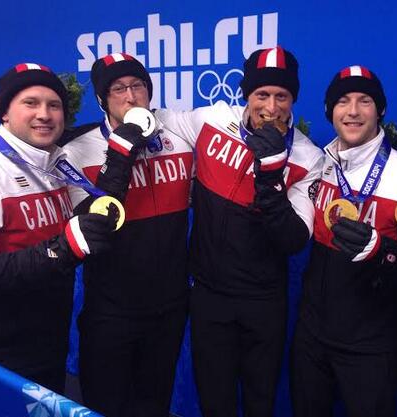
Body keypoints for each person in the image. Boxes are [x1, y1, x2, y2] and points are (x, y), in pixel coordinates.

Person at [155, 46, 323, 417]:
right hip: (209, 295)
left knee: (260, 402)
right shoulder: (213, 119)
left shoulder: (307, 157)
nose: (272, 106)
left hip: (263, 301)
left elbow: (294, 240)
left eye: (282, 96)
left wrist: (271, 171)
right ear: (247, 93)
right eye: (262, 94)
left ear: (293, 98)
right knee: (214, 401)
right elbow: (157, 119)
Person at [0, 63, 115, 393]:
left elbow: (83, 216)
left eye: (54, 105)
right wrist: (58, 252)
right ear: (4, 113)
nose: (45, 114)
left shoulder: (58, 165)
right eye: (31, 103)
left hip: (48, 344)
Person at [289, 65, 397, 417]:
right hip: (311, 338)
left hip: (371, 346)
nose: (352, 111)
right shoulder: (318, 165)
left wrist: (380, 251)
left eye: (364, 101)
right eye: (342, 101)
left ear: (381, 110)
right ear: (330, 111)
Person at [62, 53, 193, 417]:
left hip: (168, 308)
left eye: (138, 86)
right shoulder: (77, 151)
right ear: (103, 100)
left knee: (154, 405)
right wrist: (120, 151)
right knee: (107, 405)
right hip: (111, 312)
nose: (131, 96)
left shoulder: (179, 137)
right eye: (118, 89)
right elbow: (95, 224)